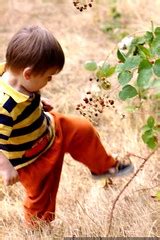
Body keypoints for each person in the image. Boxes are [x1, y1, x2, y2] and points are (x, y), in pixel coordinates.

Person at [0, 25, 134, 226]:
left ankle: (104, 167)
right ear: (28, 74)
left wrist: (38, 104)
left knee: (82, 129)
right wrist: (6, 167)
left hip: (50, 126)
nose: (50, 81)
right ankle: (37, 229)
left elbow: (26, 93)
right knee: (42, 198)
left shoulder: (13, 72)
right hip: (33, 156)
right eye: (48, 77)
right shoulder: (5, 106)